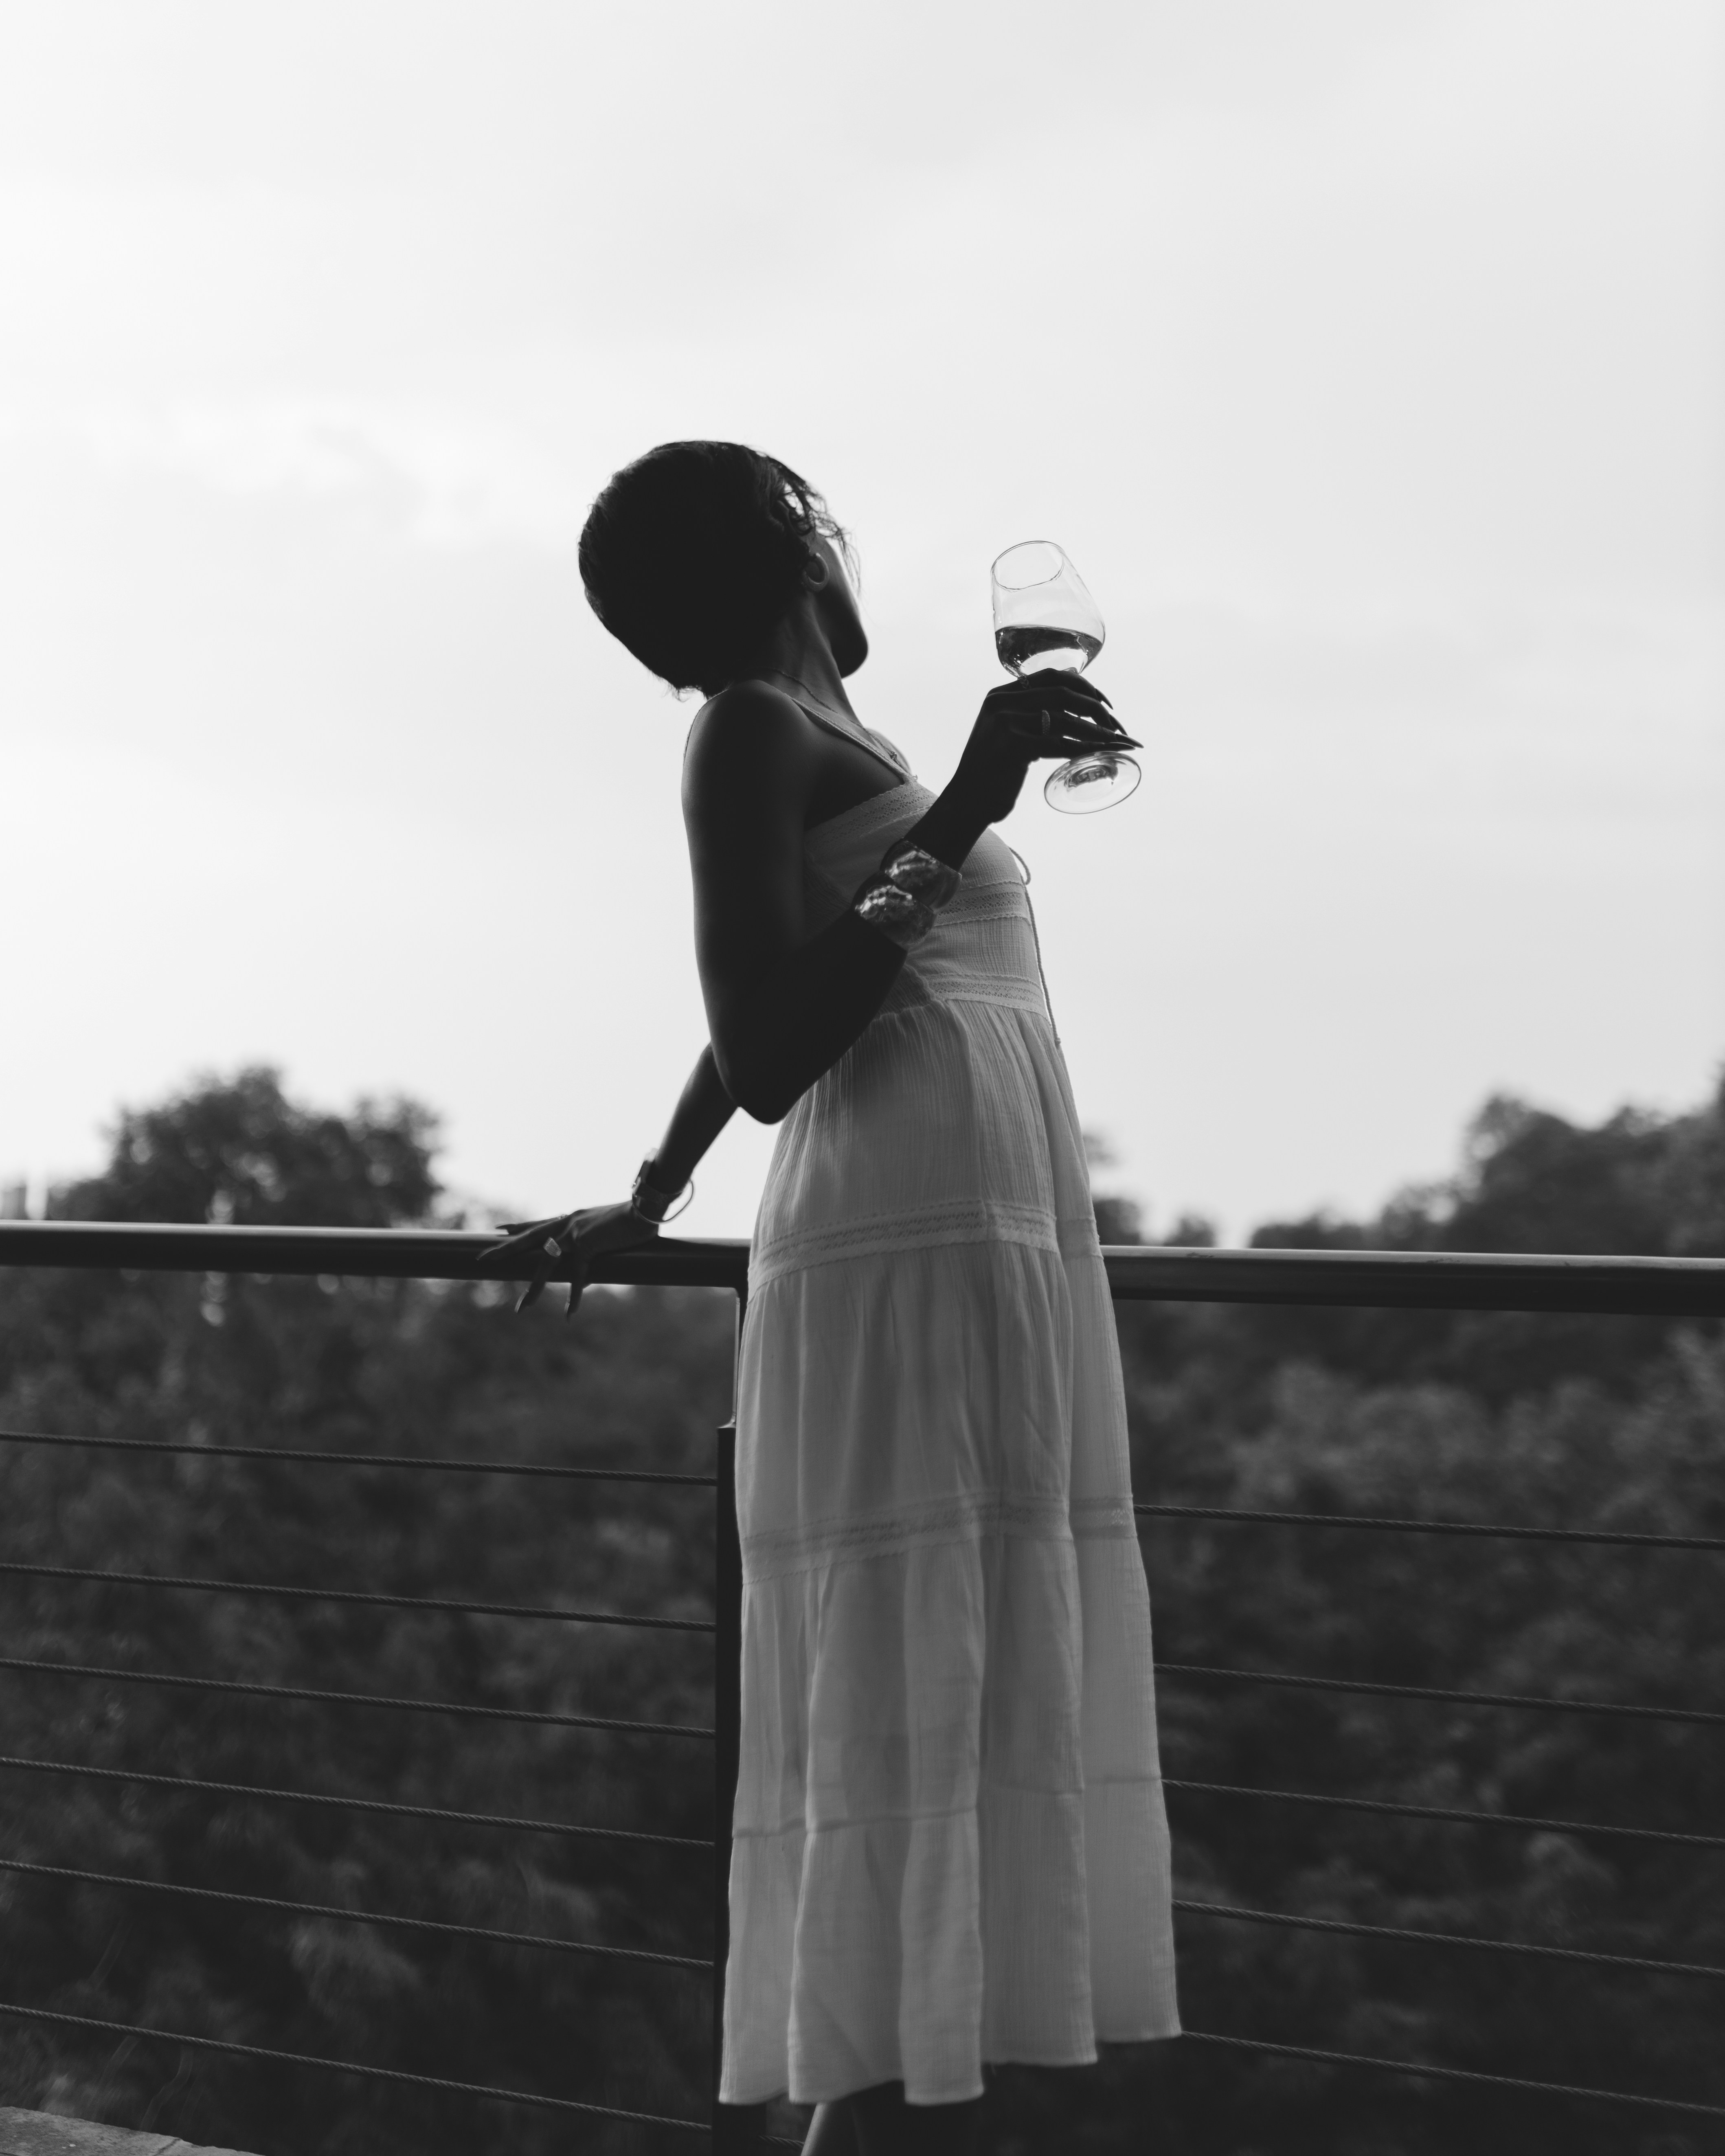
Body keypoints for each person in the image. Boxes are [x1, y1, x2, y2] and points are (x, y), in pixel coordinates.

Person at [485, 441, 1179, 2152]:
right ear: (795, 543)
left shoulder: (824, 740)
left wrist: (654, 1190)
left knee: (969, 1714)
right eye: (822, 519)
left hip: (991, 1244)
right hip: (899, 1255)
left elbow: (793, 989)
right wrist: (959, 812)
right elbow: (780, 1044)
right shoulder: (750, 734)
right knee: (907, 1728)